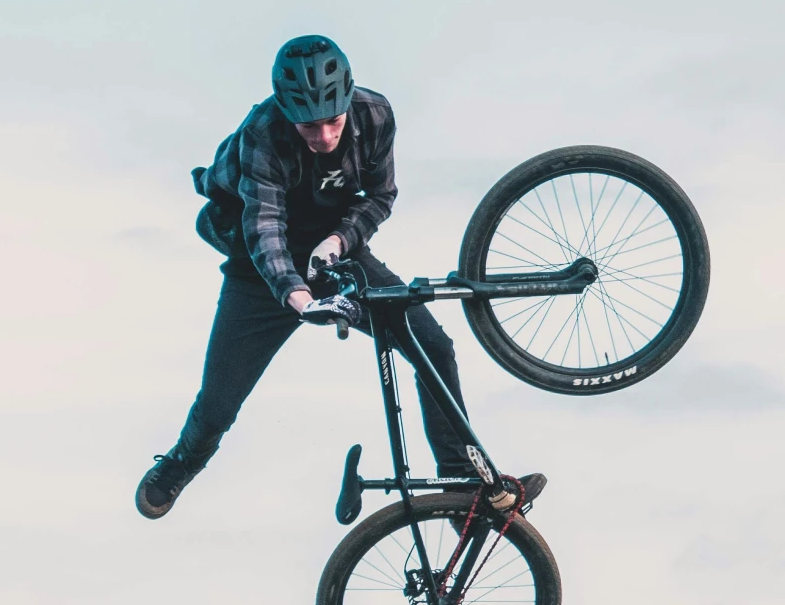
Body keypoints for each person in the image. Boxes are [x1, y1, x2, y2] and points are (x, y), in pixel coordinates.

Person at [136, 34, 542, 519]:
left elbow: (381, 195)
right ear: (288, 114)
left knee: (434, 346)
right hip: (261, 267)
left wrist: (338, 243)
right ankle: (182, 462)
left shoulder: (375, 115)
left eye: (332, 121)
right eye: (309, 126)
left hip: (336, 253)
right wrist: (300, 298)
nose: (324, 137)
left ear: (348, 101)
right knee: (220, 401)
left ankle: (459, 489)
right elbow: (265, 226)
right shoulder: (262, 131)